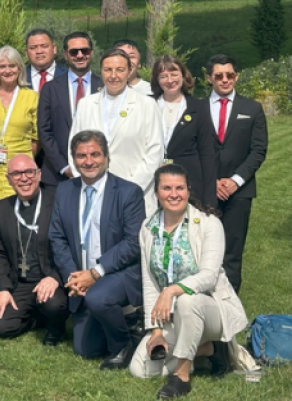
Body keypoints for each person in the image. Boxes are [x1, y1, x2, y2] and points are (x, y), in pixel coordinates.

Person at [129, 164, 254, 398]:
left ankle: (182, 376)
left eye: (180, 188)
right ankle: (206, 350)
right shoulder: (148, 228)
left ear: (188, 190)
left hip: (211, 309)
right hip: (171, 316)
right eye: (166, 188)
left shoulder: (208, 223)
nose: (173, 194)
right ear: (156, 193)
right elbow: (149, 282)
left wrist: (171, 291)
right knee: (140, 370)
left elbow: (208, 276)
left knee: (187, 301)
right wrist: (155, 330)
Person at [49, 130, 144, 368]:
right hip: (81, 276)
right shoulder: (64, 190)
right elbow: (57, 237)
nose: (89, 161)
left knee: (99, 298)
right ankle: (129, 324)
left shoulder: (129, 192)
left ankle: (122, 345)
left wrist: (96, 273)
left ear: (106, 157)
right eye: (81, 156)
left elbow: (133, 242)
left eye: (95, 154)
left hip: (118, 273)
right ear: (73, 159)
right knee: (86, 350)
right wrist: (73, 277)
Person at [70, 48, 164, 212]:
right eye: (108, 70)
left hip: (135, 194)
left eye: (120, 70)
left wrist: (129, 189)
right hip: (93, 193)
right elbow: (73, 147)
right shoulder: (86, 104)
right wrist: (86, 183)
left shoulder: (147, 105)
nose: (113, 76)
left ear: (129, 71)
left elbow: (155, 151)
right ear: (101, 71)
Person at [0, 155, 68, 345]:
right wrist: (2, 288)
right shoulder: (1, 208)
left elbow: (70, 246)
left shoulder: (58, 203)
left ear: (39, 174)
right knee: (0, 326)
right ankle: (37, 318)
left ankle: (56, 329)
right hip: (20, 282)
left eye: (29, 172)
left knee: (54, 305)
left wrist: (55, 277)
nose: (24, 178)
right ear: (9, 179)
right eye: (16, 174)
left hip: (48, 279)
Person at [204, 54, 267, 293]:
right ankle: (202, 298)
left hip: (239, 192)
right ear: (209, 78)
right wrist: (211, 181)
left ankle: (229, 302)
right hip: (206, 190)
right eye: (219, 75)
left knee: (232, 249)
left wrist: (235, 181)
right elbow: (192, 149)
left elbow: (258, 150)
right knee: (203, 247)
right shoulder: (197, 108)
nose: (225, 79)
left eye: (230, 75)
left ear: (236, 76)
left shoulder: (252, 109)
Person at [37, 31, 103, 187]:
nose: (80, 55)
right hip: (57, 176)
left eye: (84, 51)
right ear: (66, 55)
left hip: (98, 172)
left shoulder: (104, 87)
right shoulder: (50, 89)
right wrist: (64, 167)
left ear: (91, 53)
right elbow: (44, 131)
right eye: (74, 52)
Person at [151, 55, 218, 207]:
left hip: (189, 184)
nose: (170, 80)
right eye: (163, 76)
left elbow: (207, 153)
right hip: (152, 183)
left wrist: (209, 199)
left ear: (183, 75)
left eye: (174, 74)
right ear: (157, 80)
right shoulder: (147, 105)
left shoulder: (199, 108)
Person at [0, 46, 40, 202]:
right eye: (2, 66)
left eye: (12, 66)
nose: (7, 71)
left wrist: (24, 158)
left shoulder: (31, 97)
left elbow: (37, 138)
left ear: (19, 68)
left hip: (20, 171)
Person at [24, 29, 62, 94]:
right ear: (26, 53)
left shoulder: (68, 75)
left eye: (44, 46)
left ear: (54, 49)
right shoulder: (18, 77)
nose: (39, 51)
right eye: (33, 48)